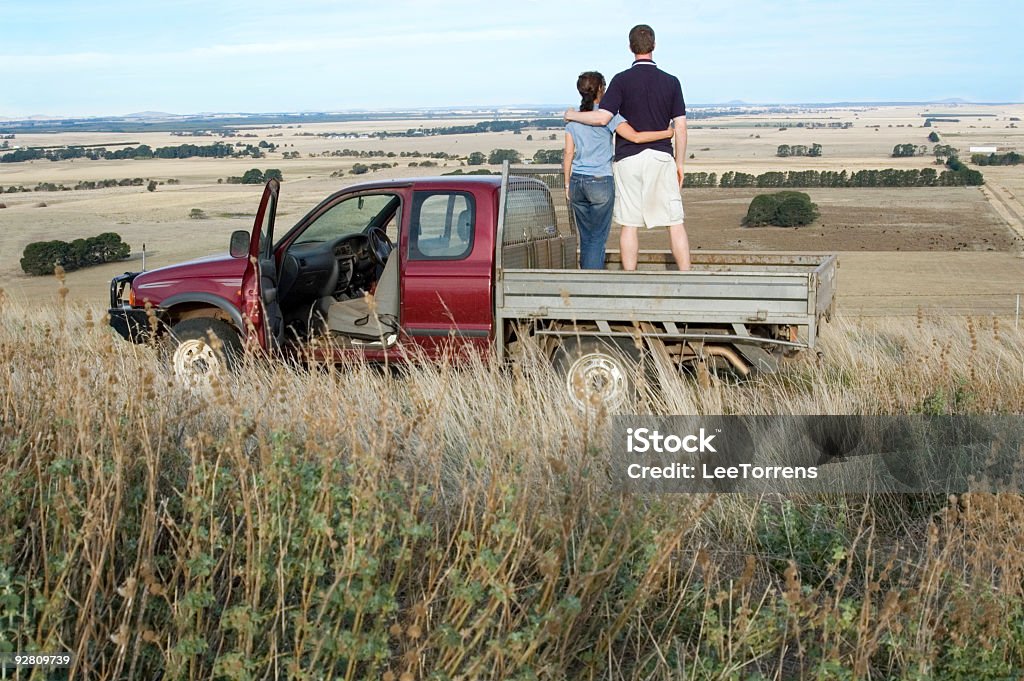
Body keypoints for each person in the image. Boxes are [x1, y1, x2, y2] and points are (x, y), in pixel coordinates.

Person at [565, 24, 689, 271]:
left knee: (629, 224)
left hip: (627, 160)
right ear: (654, 45)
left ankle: (629, 280)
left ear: (630, 47)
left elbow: (602, 118)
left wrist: (571, 115)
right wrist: (680, 164)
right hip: (662, 157)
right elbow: (681, 128)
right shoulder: (672, 82)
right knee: (675, 222)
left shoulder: (621, 80)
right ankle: (688, 278)